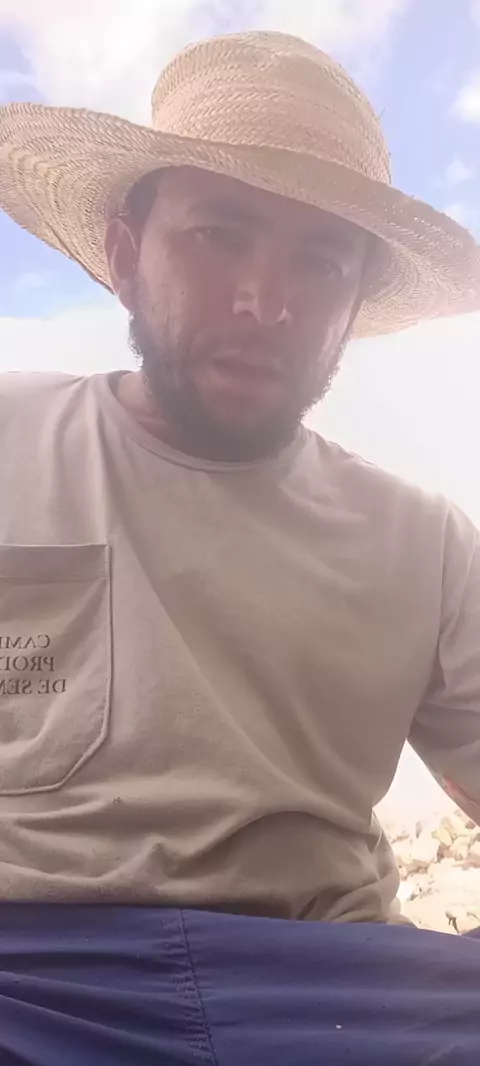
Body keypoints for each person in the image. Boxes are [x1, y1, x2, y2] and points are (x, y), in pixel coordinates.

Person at [0, 28, 479, 1066]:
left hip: (334, 982)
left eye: (322, 260)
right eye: (220, 235)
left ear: (354, 304)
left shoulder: (428, 542)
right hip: (29, 976)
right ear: (125, 258)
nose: (268, 301)